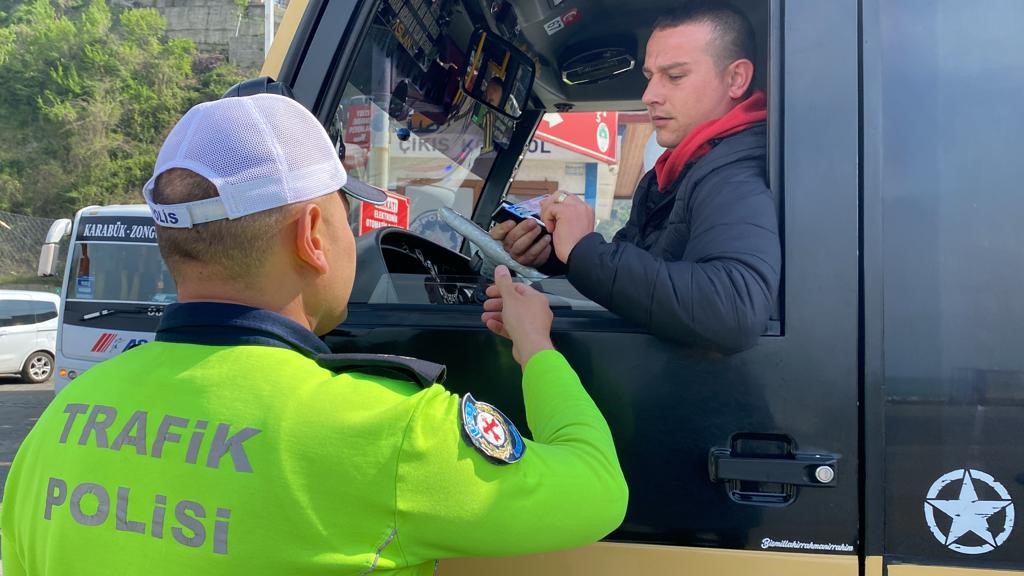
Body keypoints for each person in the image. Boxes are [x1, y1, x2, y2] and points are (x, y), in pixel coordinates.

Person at [0, 94, 627, 575]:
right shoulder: (391, 433)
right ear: (310, 234)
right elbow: (598, 489)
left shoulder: (64, 420)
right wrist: (536, 348)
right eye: (342, 213)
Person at [491, 3, 780, 354]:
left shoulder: (735, 172)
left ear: (735, 79)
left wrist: (585, 251)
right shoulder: (673, 172)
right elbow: (637, 268)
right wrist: (555, 253)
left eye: (674, 76)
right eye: (649, 76)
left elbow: (735, 309)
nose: (649, 96)